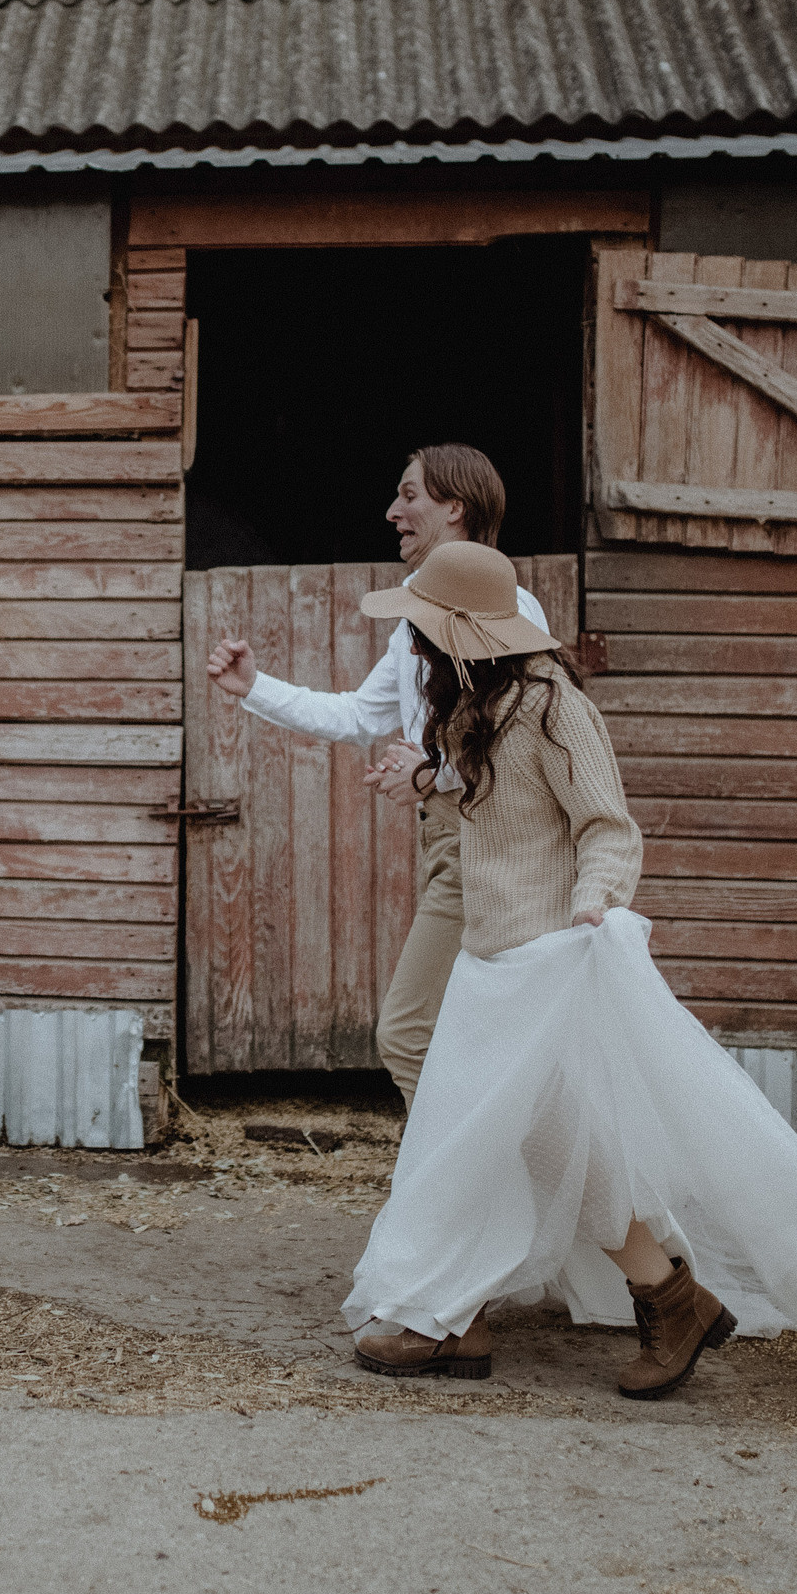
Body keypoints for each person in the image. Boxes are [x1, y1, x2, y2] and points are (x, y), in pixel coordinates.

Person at [342, 539, 797, 1399]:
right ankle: (580, 1301)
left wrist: (597, 900)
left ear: (467, 635)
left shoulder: (552, 707)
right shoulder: (473, 706)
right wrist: (431, 776)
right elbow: (498, 800)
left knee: (530, 1141)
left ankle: (630, 1299)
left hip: (546, 964)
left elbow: (607, 826)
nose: (414, 647)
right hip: (490, 966)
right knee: (523, 1143)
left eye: (424, 633)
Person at [206, 444, 549, 1109]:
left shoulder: (514, 608)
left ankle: (463, 1188)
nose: (394, 511)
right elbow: (360, 715)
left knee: (408, 1035)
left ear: (455, 507)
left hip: (496, 846)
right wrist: (254, 686)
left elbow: (524, 732)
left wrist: (434, 770)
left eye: (410, 494)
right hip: (447, 844)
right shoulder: (415, 616)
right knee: (466, 1033)